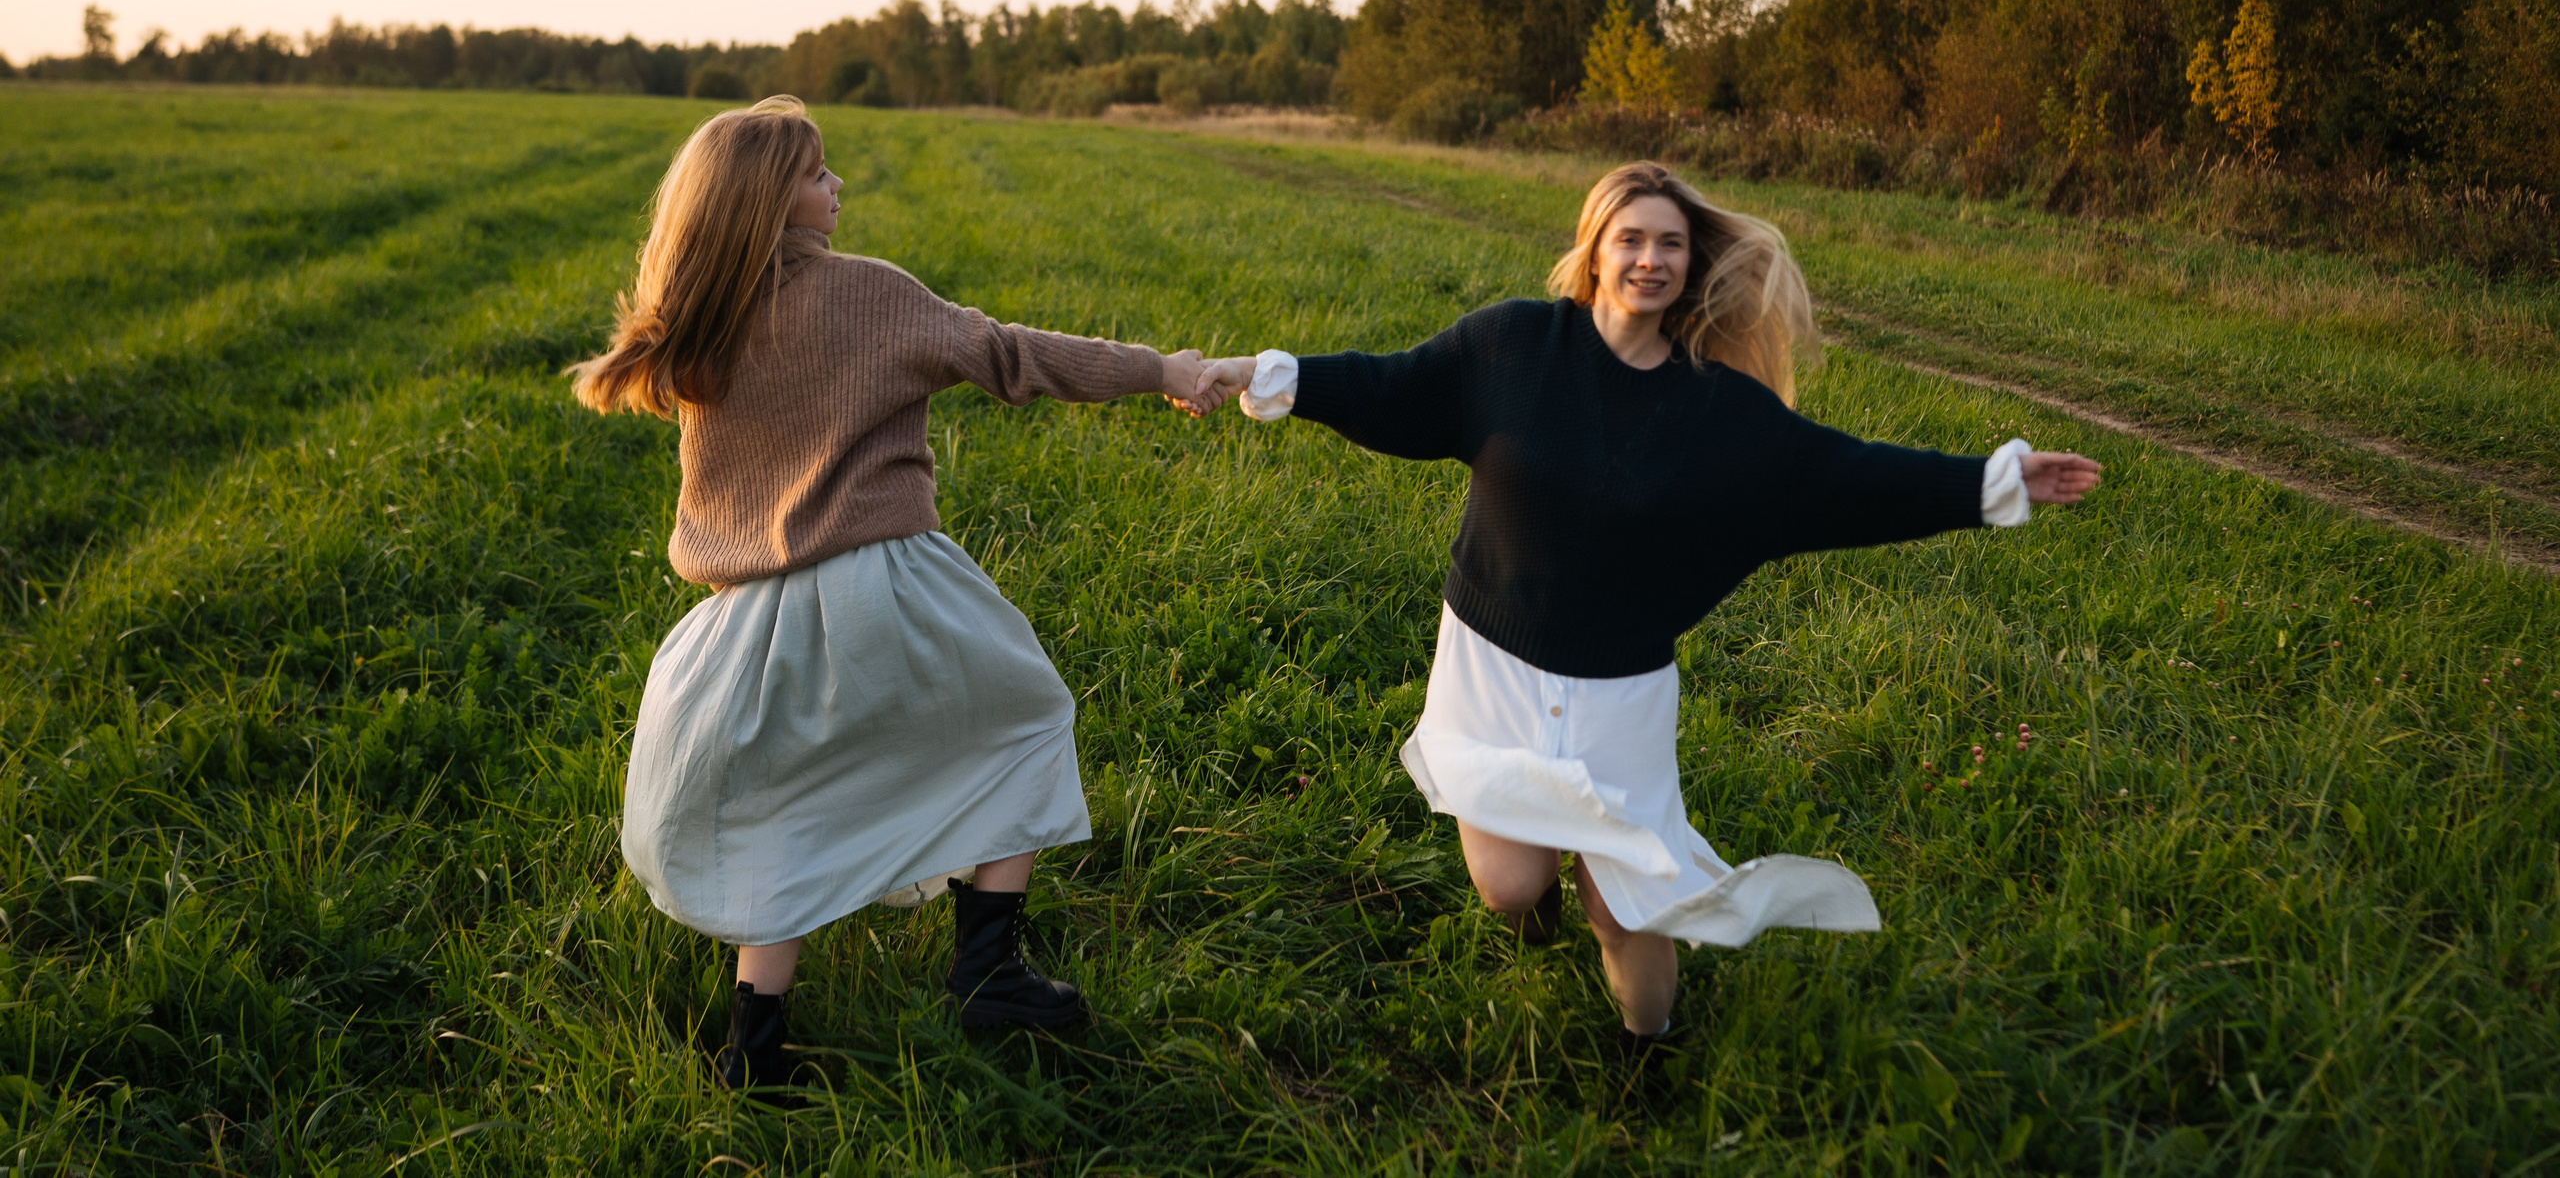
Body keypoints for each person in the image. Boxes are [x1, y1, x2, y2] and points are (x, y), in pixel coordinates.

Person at [1194, 161, 2100, 1045]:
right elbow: (1392, 387)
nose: (1650, 259)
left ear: (1687, 264)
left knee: (1627, 911)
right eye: (1630, 238)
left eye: (1669, 243)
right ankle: (1534, 914)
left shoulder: (1719, 412)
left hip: (1617, 699)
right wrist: (1269, 375)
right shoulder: (1510, 344)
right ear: (1594, 249)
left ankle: (1649, 1049)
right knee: (1511, 885)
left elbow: (1844, 477)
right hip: (1490, 668)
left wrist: (1990, 483)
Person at [570, 96, 1217, 1091]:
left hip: (742, 622)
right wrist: (1159, 368)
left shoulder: (703, 319)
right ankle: (986, 967)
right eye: (819, 174)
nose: (838, 187)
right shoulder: (867, 293)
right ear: (771, 203)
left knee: (778, 801)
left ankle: (756, 1043)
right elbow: (1013, 356)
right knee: (1026, 719)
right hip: (884, 586)